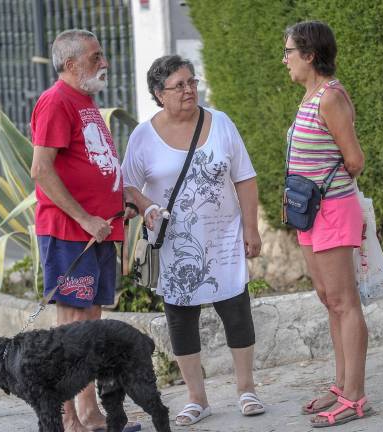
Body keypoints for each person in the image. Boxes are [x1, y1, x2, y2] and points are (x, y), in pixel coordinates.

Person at [122, 55, 265, 426]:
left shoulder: (221, 123)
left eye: (191, 82)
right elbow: (128, 186)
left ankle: (246, 389)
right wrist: (146, 205)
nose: (189, 90)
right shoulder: (142, 136)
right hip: (175, 244)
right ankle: (196, 398)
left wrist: (251, 227)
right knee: (181, 318)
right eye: (179, 85)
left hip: (222, 237)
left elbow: (245, 178)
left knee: (236, 310)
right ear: (158, 94)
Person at [30, 29, 140, 432]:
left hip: (98, 230)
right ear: (71, 64)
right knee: (75, 322)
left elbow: (93, 165)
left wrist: (117, 204)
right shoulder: (56, 101)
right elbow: (41, 170)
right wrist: (83, 217)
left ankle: (83, 414)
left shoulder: (86, 102)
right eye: (96, 57)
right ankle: (74, 417)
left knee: (88, 320)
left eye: (102, 55)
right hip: (72, 232)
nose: (104, 62)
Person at [282, 21, 370, 427]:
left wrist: (325, 185)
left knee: (345, 302)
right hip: (309, 213)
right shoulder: (309, 97)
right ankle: (341, 385)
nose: (285, 60)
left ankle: (355, 396)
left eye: (289, 52)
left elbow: (355, 160)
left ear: (310, 55)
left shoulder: (331, 98)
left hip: (332, 209)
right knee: (327, 299)